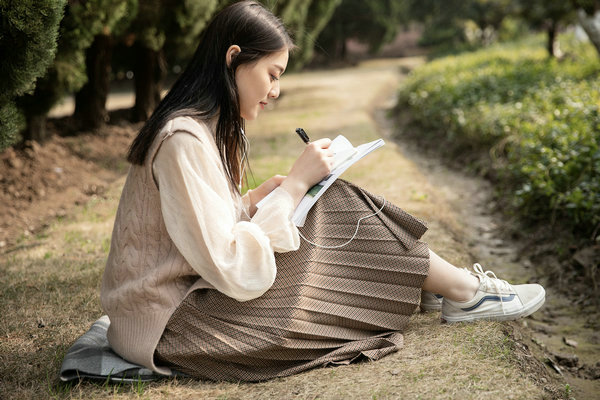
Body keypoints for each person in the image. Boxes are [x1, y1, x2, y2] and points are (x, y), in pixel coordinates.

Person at [100, 0, 545, 382]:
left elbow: (198, 227)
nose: (274, 91)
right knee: (327, 202)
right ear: (234, 58)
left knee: (324, 197)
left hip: (187, 307)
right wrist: (292, 186)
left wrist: (256, 199)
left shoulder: (200, 130)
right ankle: (461, 292)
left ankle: (449, 288)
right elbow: (232, 266)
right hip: (175, 328)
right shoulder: (183, 138)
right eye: (272, 74)